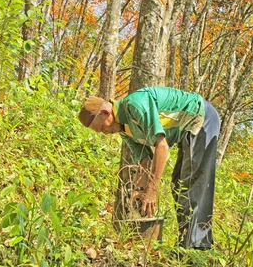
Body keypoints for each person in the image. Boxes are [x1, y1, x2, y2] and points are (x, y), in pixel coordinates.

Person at [78, 86, 220, 249]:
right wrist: (140, 190)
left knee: (192, 182)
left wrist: (152, 190)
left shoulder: (136, 105)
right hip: (186, 130)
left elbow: (162, 147)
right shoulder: (124, 129)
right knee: (178, 184)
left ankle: (196, 247)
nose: (105, 133)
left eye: (102, 128)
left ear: (105, 113)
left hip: (201, 116)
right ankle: (187, 243)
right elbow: (144, 160)